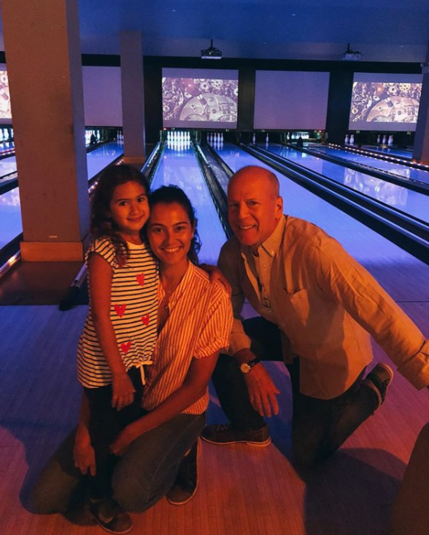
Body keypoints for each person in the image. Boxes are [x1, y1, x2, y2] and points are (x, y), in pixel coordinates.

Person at [31, 180, 232, 534]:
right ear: (145, 233)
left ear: (193, 229)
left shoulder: (212, 296)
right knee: (44, 498)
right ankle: (108, 471)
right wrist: (84, 431)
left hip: (178, 409)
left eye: (180, 228)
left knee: (131, 494)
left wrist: (132, 432)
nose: (170, 240)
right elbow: (100, 358)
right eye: (158, 229)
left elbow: (197, 385)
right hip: (123, 401)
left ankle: (184, 450)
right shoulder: (131, 279)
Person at [201, 165, 429, 468]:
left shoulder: (314, 248)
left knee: (307, 457)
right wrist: (248, 362)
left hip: (330, 352)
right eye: (233, 205)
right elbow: (223, 315)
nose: (241, 215)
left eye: (252, 203)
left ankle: (372, 389)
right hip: (287, 335)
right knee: (216, 347)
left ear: (277, 207)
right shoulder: (232, 252)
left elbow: (375, 305)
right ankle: (249, 428)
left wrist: (425, 368)